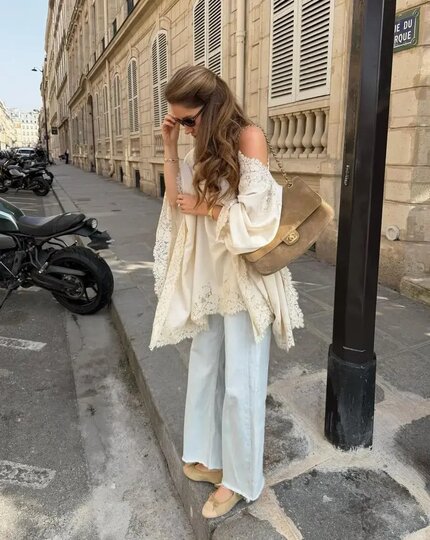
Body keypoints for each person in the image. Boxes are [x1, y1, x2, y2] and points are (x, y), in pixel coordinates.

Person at [150, 65, 304, 519]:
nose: (185, 127)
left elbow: (257, 222)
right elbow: (176, 200)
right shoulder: (198, 144)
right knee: (204, 366)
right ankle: (206, 456)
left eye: (188, 119)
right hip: (209, 274)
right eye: (178, 120)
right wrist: (169, 146)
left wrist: (207, 207)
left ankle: (240, 480)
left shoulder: (249, 138)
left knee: (242, 381)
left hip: (243, 276)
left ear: (212, 107)